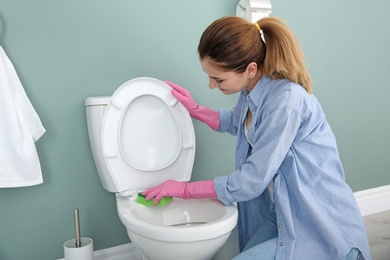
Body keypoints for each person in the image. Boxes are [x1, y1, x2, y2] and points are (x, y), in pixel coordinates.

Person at [143, 16, 371, 260]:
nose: (211, 85)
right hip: (284, 210)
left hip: (318, 218)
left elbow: (251, 180)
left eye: (218, 79)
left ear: (250, 69)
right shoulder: (253, 89)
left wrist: (183, 189)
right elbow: (236, 122)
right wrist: (195, 109)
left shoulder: (285, 102)